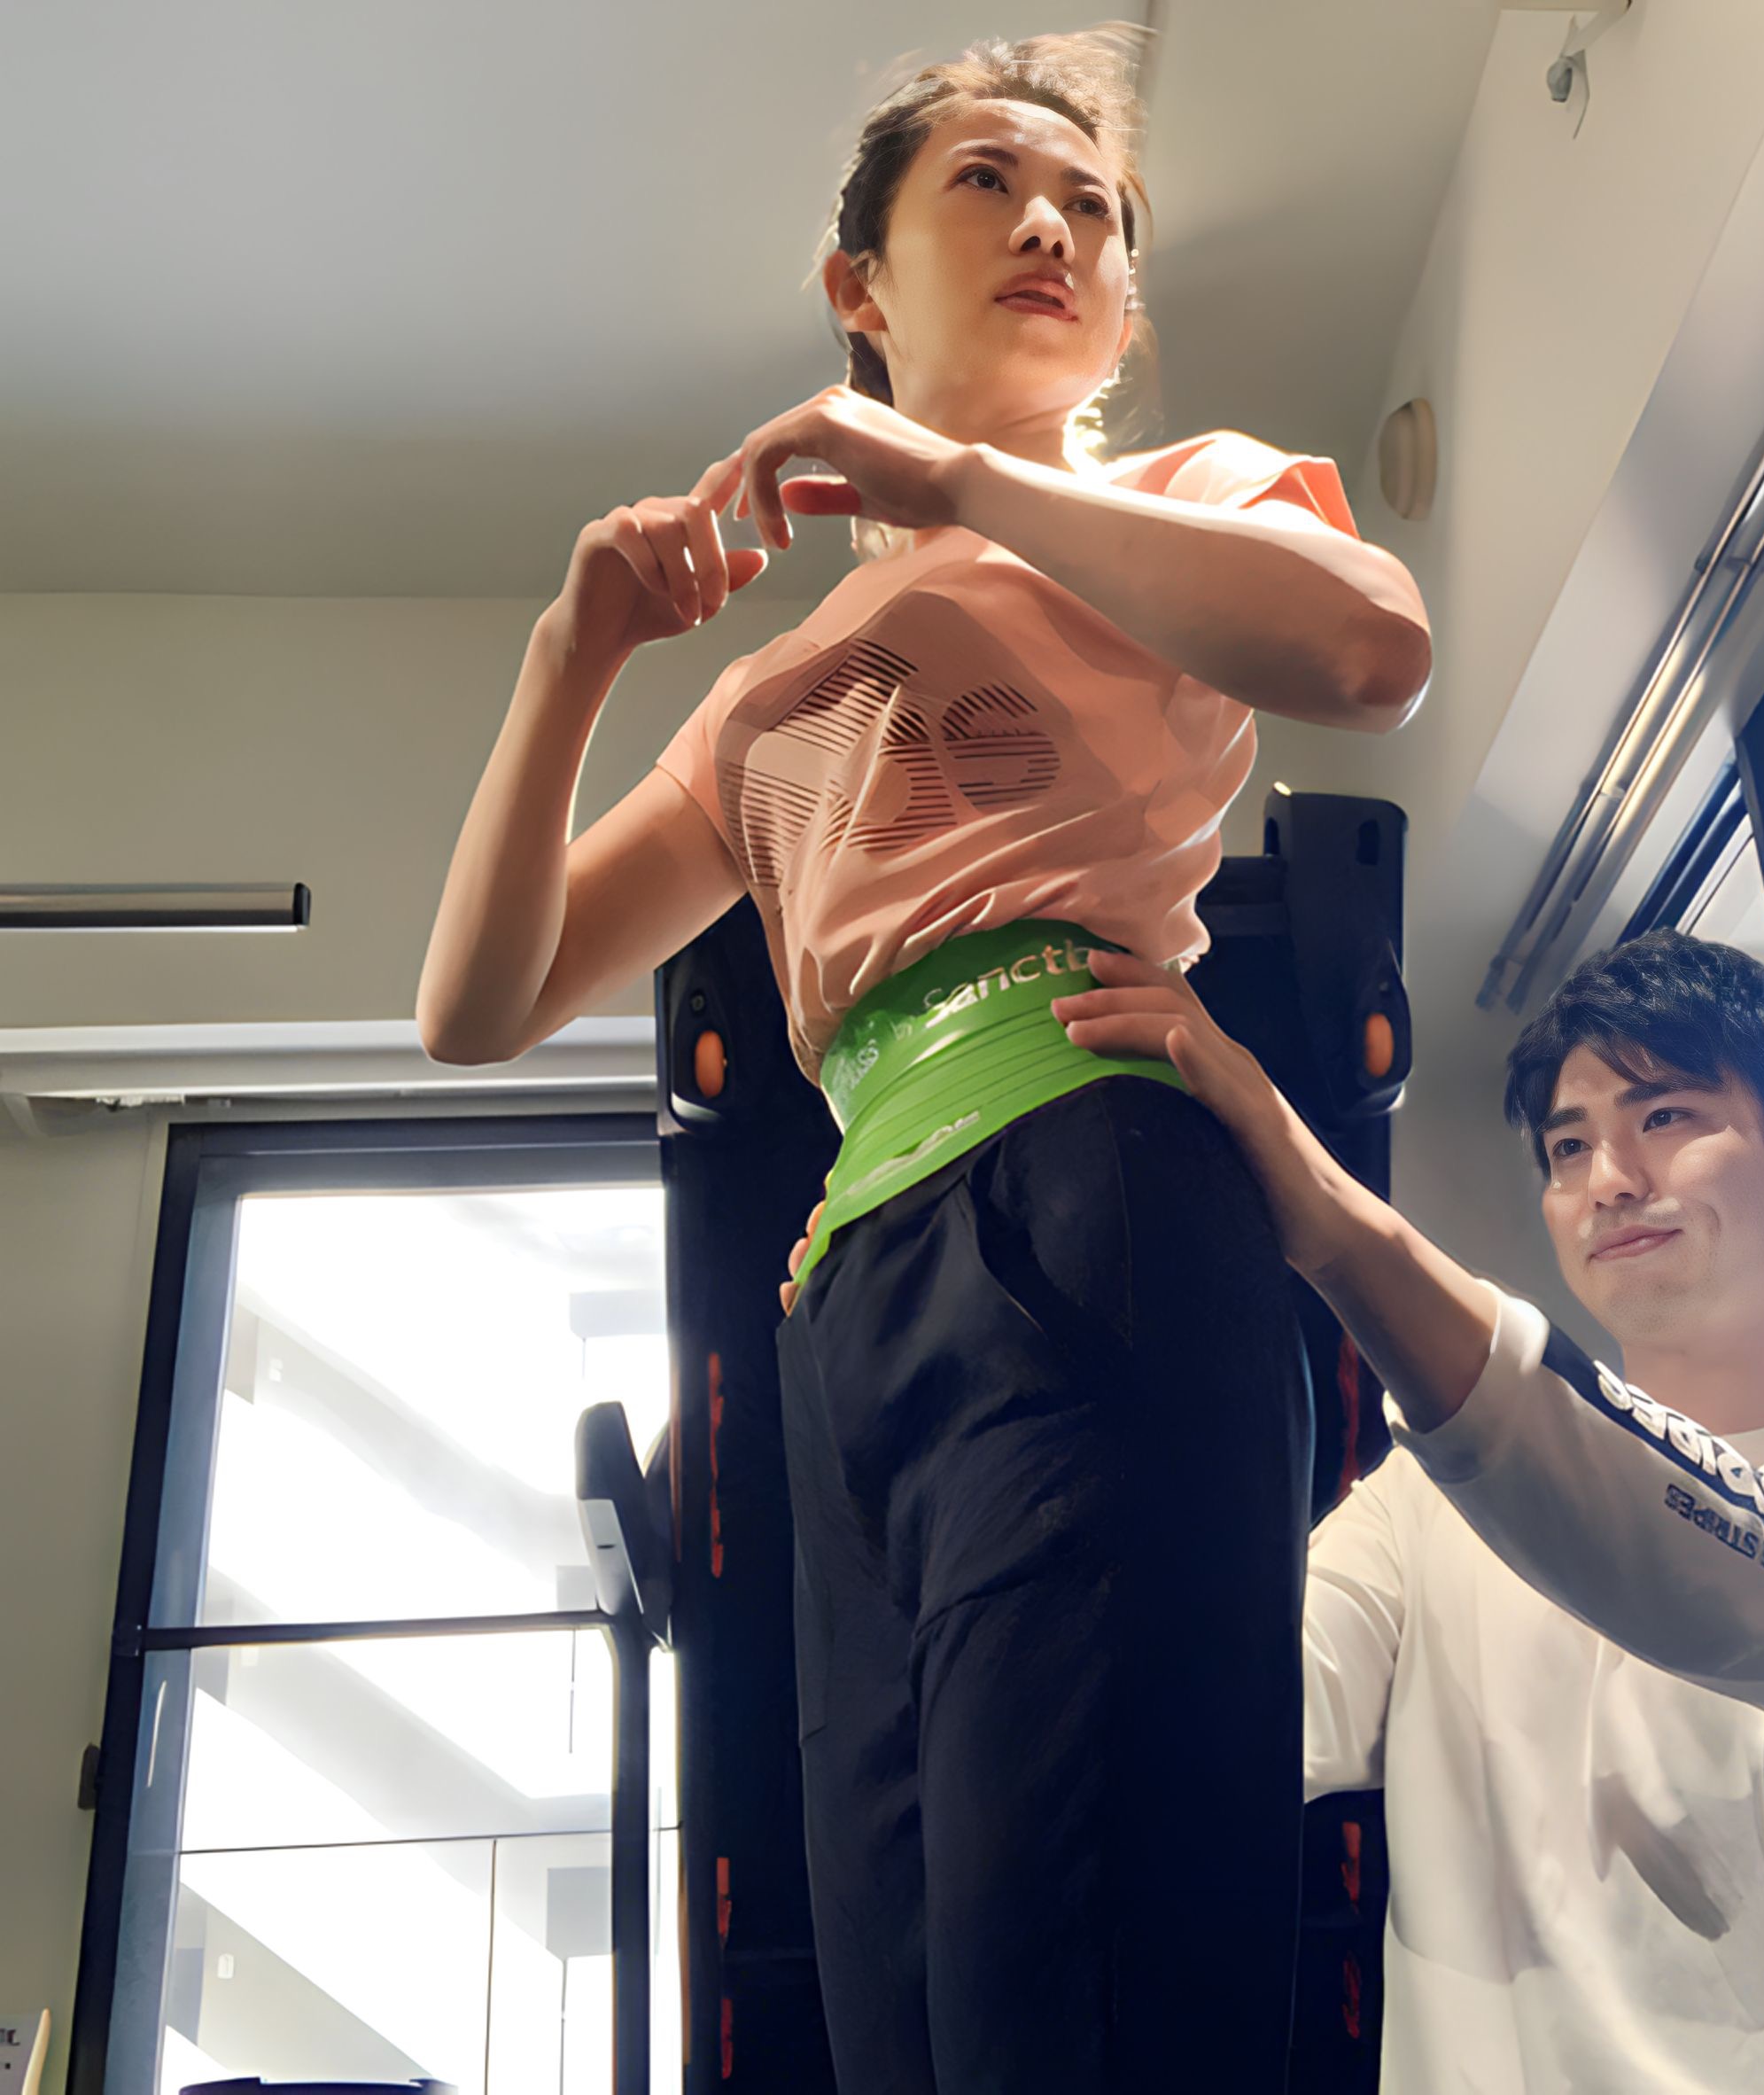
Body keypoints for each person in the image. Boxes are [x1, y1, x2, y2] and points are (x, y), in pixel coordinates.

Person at [416, 27, 1431, 2092]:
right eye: (987, 181)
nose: (1051, 222)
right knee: (902, 2012)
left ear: (1122, 304)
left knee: (1080, 1992)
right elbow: (478, 1006)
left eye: (1093, 208)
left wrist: (957, 481)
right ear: (858, 282)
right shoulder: (766, 698)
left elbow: (1368, 650)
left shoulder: (1176, 496)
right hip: (855, 1289)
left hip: (1090, 1192)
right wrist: (569, 657)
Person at [1017, 926, 1764, 2092]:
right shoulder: (1427, 1506)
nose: (1608, 1181)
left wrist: (1343, 1228)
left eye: (1666, 1116)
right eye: (1569, 1147)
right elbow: (1224, 1711)